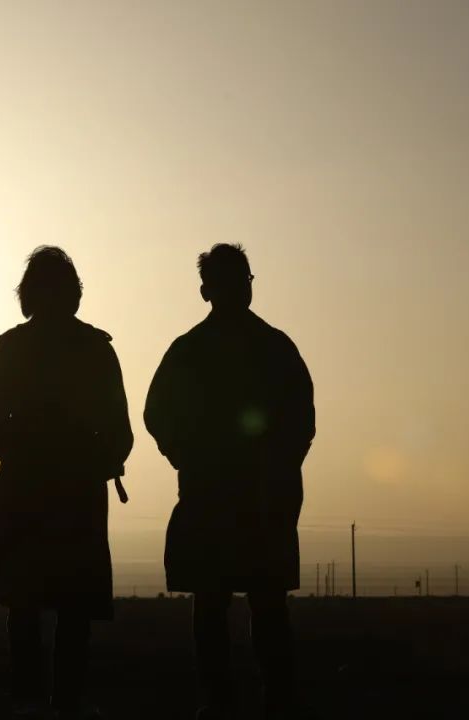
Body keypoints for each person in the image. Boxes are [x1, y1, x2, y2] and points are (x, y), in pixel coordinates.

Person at [144, 244, 315, 719]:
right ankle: (267, 701)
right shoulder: (273, 347)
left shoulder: (193, 350)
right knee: (253, 602)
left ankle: (230, 703)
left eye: (243, 280)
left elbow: (157, 414)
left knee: (224, 602)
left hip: (231, 496)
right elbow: (302, 422)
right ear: (212, 290)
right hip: (248, 497)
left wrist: (185, 456)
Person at [0, 246, 134, 719]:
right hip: (68, 489)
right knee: (66, 604)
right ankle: (60, 701)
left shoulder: (16, 346)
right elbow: (120, 428)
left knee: (32, 602)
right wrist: (101, 459)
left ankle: (35, 700)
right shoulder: (93, 348)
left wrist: (15, 451)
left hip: (37, 487)